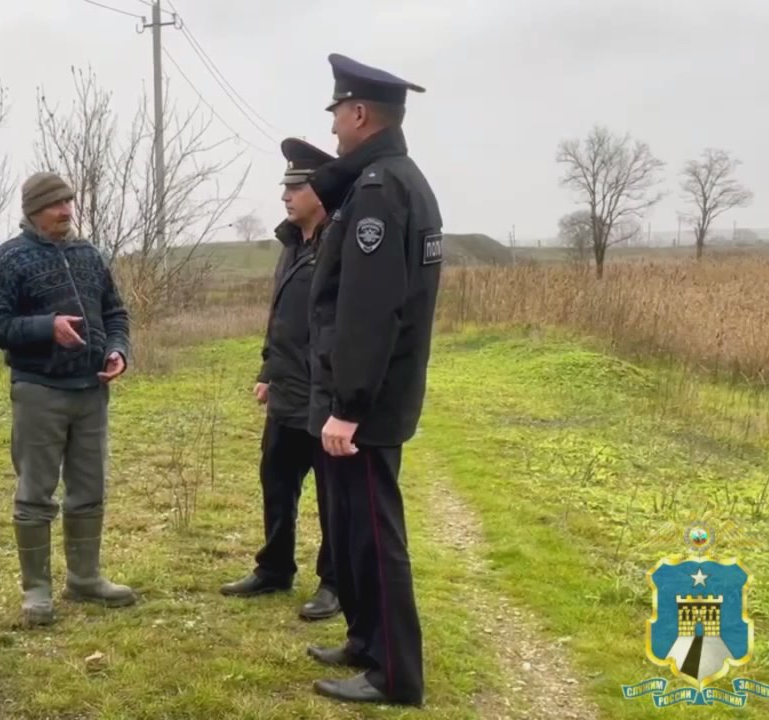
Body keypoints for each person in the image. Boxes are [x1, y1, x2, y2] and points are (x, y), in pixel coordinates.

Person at [301, 53, 443, 706]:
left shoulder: (383, 190)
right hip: (369, 396)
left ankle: (395, 675)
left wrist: (349, 405)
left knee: (376, 536)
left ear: (359, 113)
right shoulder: (394, 180)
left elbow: (370, 308)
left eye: (337, 114)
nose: (332, 129)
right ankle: (364, 641)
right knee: (354, 527)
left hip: (368, 403)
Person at [0, 171, 136, 628]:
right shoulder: (10, 258)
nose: (66, 211)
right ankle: (37, 591)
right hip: (39, 391)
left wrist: (117, 348)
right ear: (33, 210)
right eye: (55, 205)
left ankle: (85, 579)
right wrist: (46, 327)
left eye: (69, 202)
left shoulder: (89, 255)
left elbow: (115, 312)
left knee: (90, 489)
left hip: (92, 391)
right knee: (35, 494)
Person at [219, 138, 340, 622]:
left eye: (297, 187)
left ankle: (334, 582)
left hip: (326, 396)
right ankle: (275, 567)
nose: (286, 196)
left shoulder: (339, 244)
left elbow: (340, 325)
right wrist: (268, 371)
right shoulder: (292, 245)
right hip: (288, 390)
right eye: (285, 187)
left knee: (334, 495)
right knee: (277, 480)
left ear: (321, 190)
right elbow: (281, 318)